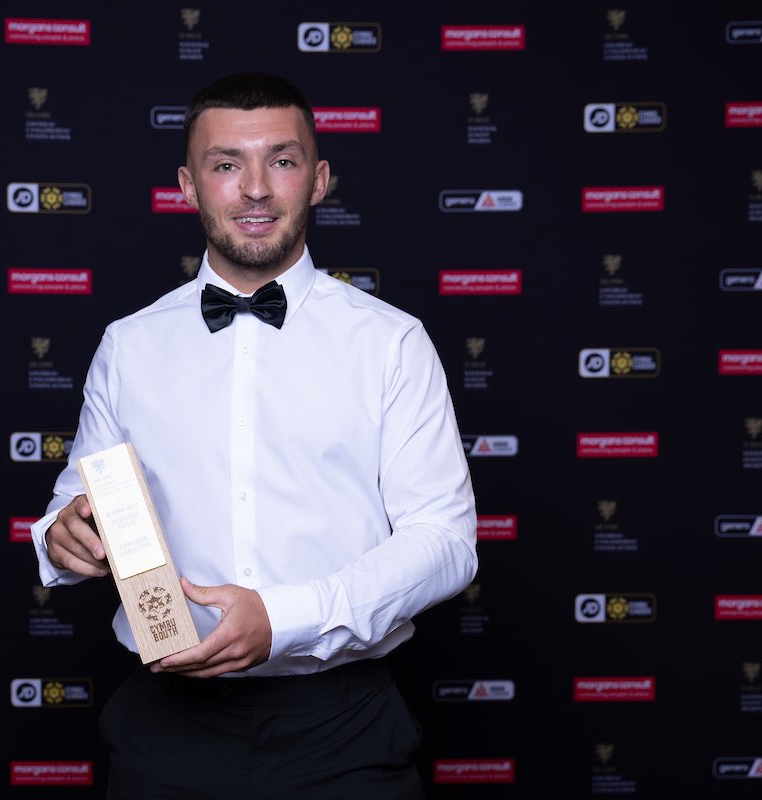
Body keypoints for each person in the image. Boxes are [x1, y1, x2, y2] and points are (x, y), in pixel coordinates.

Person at [30, 72, 478, 798]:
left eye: (283, 160)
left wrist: (284, 619)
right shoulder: (129, 344)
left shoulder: (391, 343)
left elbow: (445, 543)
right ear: (188, 184)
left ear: (320, 179)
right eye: (226, 164)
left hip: (344, 728)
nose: (257, 189)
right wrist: (62, 533)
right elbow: (77, 497)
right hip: (166, 728)